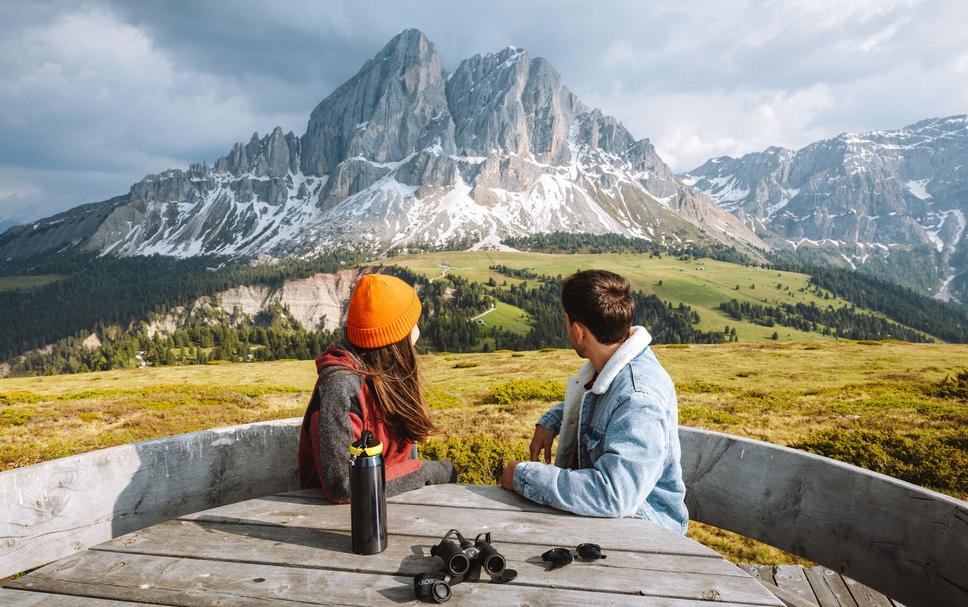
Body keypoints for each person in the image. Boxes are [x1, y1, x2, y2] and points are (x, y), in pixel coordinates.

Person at [499, 269, 689, 534]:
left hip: (647, 531)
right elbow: (600, 404)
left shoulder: (639, 398)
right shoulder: (610, 368)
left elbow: (613, 495)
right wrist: (552, 421)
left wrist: (524, 476)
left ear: (578, 332)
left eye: (565, 319)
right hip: (617, 520)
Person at [297, 273, 456, 503]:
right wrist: (426, 472)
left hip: (382, 509)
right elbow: (345, 484)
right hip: (337, 522)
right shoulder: (340, 386)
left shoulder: (385, 377)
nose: (417, 331)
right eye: (412, 324)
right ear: (396, 340)